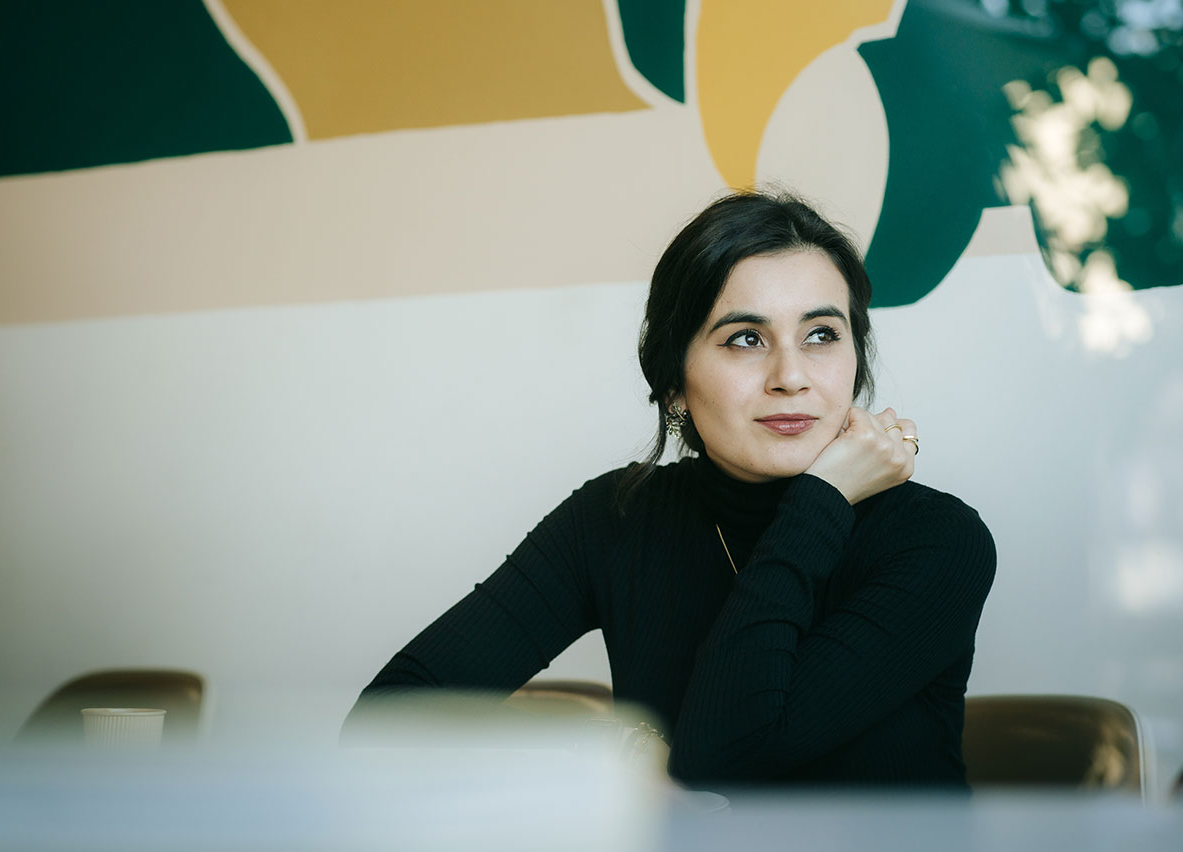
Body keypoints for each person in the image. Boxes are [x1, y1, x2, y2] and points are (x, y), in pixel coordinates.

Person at [343, 190, 996, 787]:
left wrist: (820, 499)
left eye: (822, 334)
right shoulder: (616, 518)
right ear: (675, 383)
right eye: (745, 338)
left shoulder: (937, 539)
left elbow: (731, 757)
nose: (791, 375)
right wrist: (611, 758)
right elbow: (390, 721)